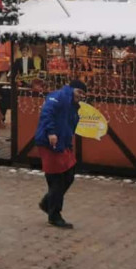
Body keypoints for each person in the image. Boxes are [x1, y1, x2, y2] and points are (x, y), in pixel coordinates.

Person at [34, 79, 87, 229]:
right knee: (58, 178)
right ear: (72, 89)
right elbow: (47, 113)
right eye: (79, 92)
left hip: (63, 144)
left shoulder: (73, 105)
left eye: (83, 94)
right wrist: (51, 132)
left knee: (68, 175)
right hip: (50, 142)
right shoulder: (58, 97)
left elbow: (69, 125)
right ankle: (54, 214)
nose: (81, 95)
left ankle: (48, 203)